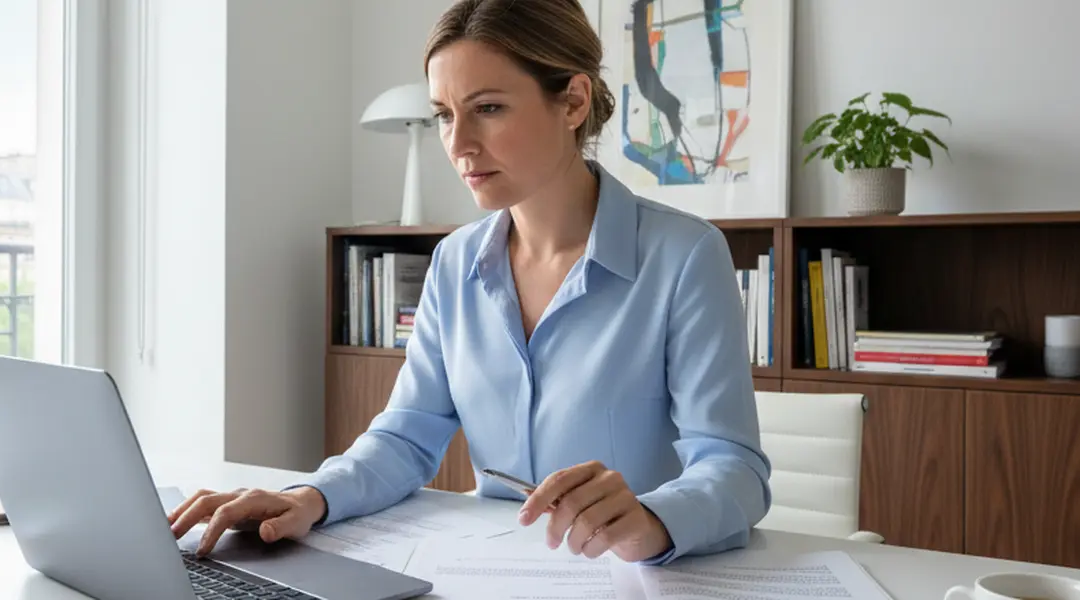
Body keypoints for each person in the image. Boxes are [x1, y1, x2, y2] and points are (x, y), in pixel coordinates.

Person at [168, 0, 771, 565]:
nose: (458, 144)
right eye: (444, 115)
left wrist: (651, 519)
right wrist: (310, 497)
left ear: (573, 102)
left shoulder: (685, 256)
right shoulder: (455, 264)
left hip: (629, 577)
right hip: (489, 571)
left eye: (488, 108)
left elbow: (734, 468)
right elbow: (406, 437)